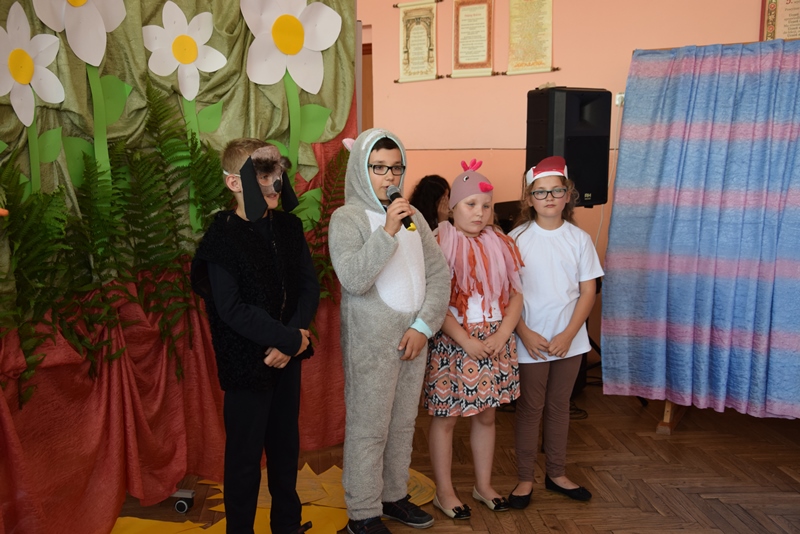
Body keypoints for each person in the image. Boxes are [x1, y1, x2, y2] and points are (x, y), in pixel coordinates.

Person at [190, 139, 320, 534]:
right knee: (245, 460)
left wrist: (292, 340)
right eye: (264, 173)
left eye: (279, 171)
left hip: (287, 359)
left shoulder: (288, 228)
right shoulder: (221, 240)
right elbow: (231, 309)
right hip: (247, 364)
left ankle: (287, 525)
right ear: (235, 182)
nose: (276, 181)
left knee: (285, 450)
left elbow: (307, 287)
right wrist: (288, 339)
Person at [328, 128, 451, 534]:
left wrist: (423, 326)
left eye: (396, 168)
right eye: (378, 168)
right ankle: (363, 513)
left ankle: (393, 495)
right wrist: (387, 232)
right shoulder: (346, 218)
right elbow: (354, 279)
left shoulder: (415, 216)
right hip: (373, 345)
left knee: (401, 425)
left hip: (413, 340)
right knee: (369, 429)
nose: (389, 177)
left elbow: (439, 274)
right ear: (361, 170)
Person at [423, 160, 523, 519]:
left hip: (495, 339)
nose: (480, 212)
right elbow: (434, 300)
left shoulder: (502, 242)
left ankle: (483, 485)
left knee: (486, 416)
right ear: (452, 206)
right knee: (447, 418)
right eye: (471, 204)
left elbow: (516, 295)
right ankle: (444, 491)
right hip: (455, 341)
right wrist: (465, 340)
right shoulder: (439, 241)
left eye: (486, 205)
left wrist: (504, 332)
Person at [507, 156, 604, 509]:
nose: (548, 197)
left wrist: (568, 334)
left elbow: (588, 291)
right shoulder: (515, 239)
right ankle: (524, 478)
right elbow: (507, 293)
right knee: (530, 407)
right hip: (529, 340)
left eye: (556, 191)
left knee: (560, 406)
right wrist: (524, 332)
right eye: (540, 192)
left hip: (569, 340)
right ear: (528, 198)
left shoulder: (579, 240)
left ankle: (557, 473)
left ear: (568, 195)